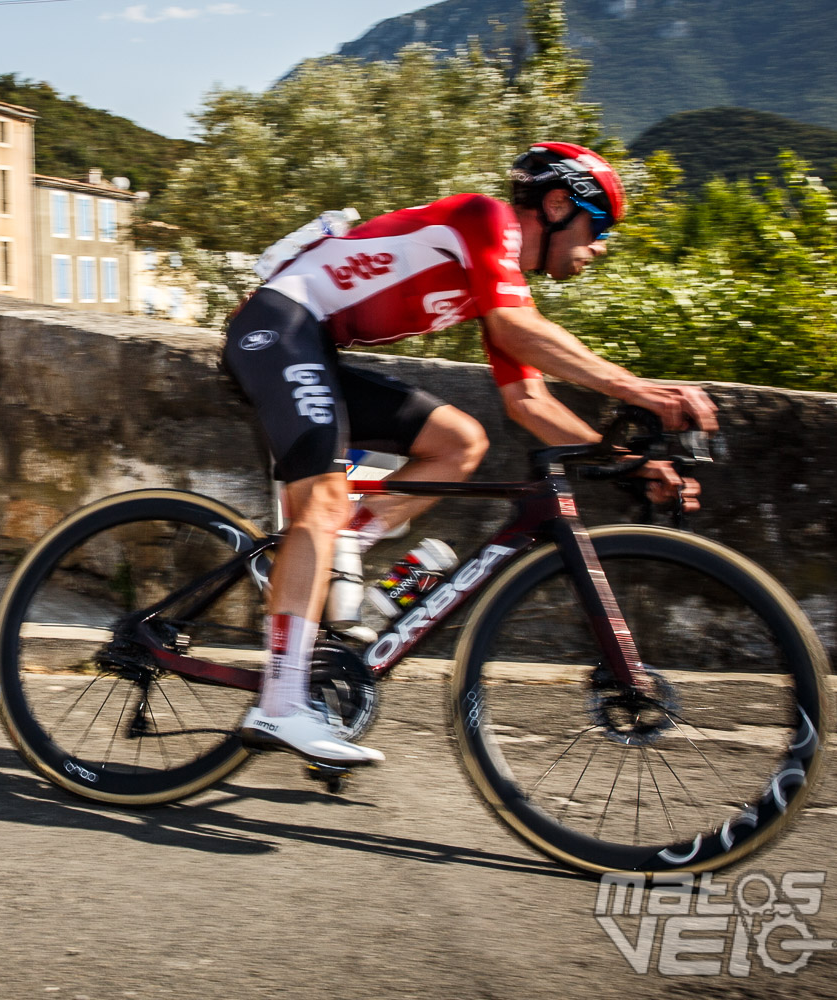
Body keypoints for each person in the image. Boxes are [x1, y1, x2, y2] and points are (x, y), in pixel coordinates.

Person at [222, 141, 718, 766]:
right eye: (600, 228)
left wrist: (628, 463)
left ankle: (338, 544)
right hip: (279, 326)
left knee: (460, 443)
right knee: (319, 501)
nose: (602, 248)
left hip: (313, 344)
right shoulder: (485, 219)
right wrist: (633, 387)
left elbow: (528, 404)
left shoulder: (499, 288)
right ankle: (281, 703)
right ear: (560, 205)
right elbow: (519, 331)